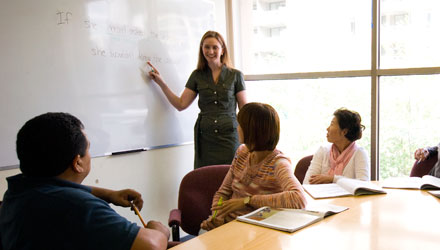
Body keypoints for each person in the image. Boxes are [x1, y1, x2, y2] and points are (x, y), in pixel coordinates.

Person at [0, 113, 170, 250]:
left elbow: (58, 190)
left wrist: (109, 194)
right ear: (77, 163)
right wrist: (159, 231)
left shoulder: (17, 192)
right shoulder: (78, 207)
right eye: (88, 148)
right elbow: (151, 246)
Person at [148, 30, 248, 169]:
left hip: (230, 137)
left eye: (215, 47)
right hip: (205, 138)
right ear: (202, 49)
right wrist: (161, 83)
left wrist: (248, 139)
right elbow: (181, 104)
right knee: (205, 180)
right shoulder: (197, 75)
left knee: (232, 178)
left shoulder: (236, 75)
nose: (210, 51)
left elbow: (245, 110)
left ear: (222, 50)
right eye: (207, 47)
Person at [200, 103, 307, 230]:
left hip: (254, 231)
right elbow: (223, 192)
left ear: (252, 130)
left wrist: (248, 200)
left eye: (240, 125)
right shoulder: (241, 152)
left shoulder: (278, 163)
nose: (237, 128)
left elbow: (298, 199)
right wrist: (216, 217)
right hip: (227, 225)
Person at [303, 108, 369, 184]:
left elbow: (363, 185)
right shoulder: (322, 151)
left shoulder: (360, 153)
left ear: (344, 131)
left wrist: (333, 179)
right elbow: (307, 183)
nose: (327, 129)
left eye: (332, 124)